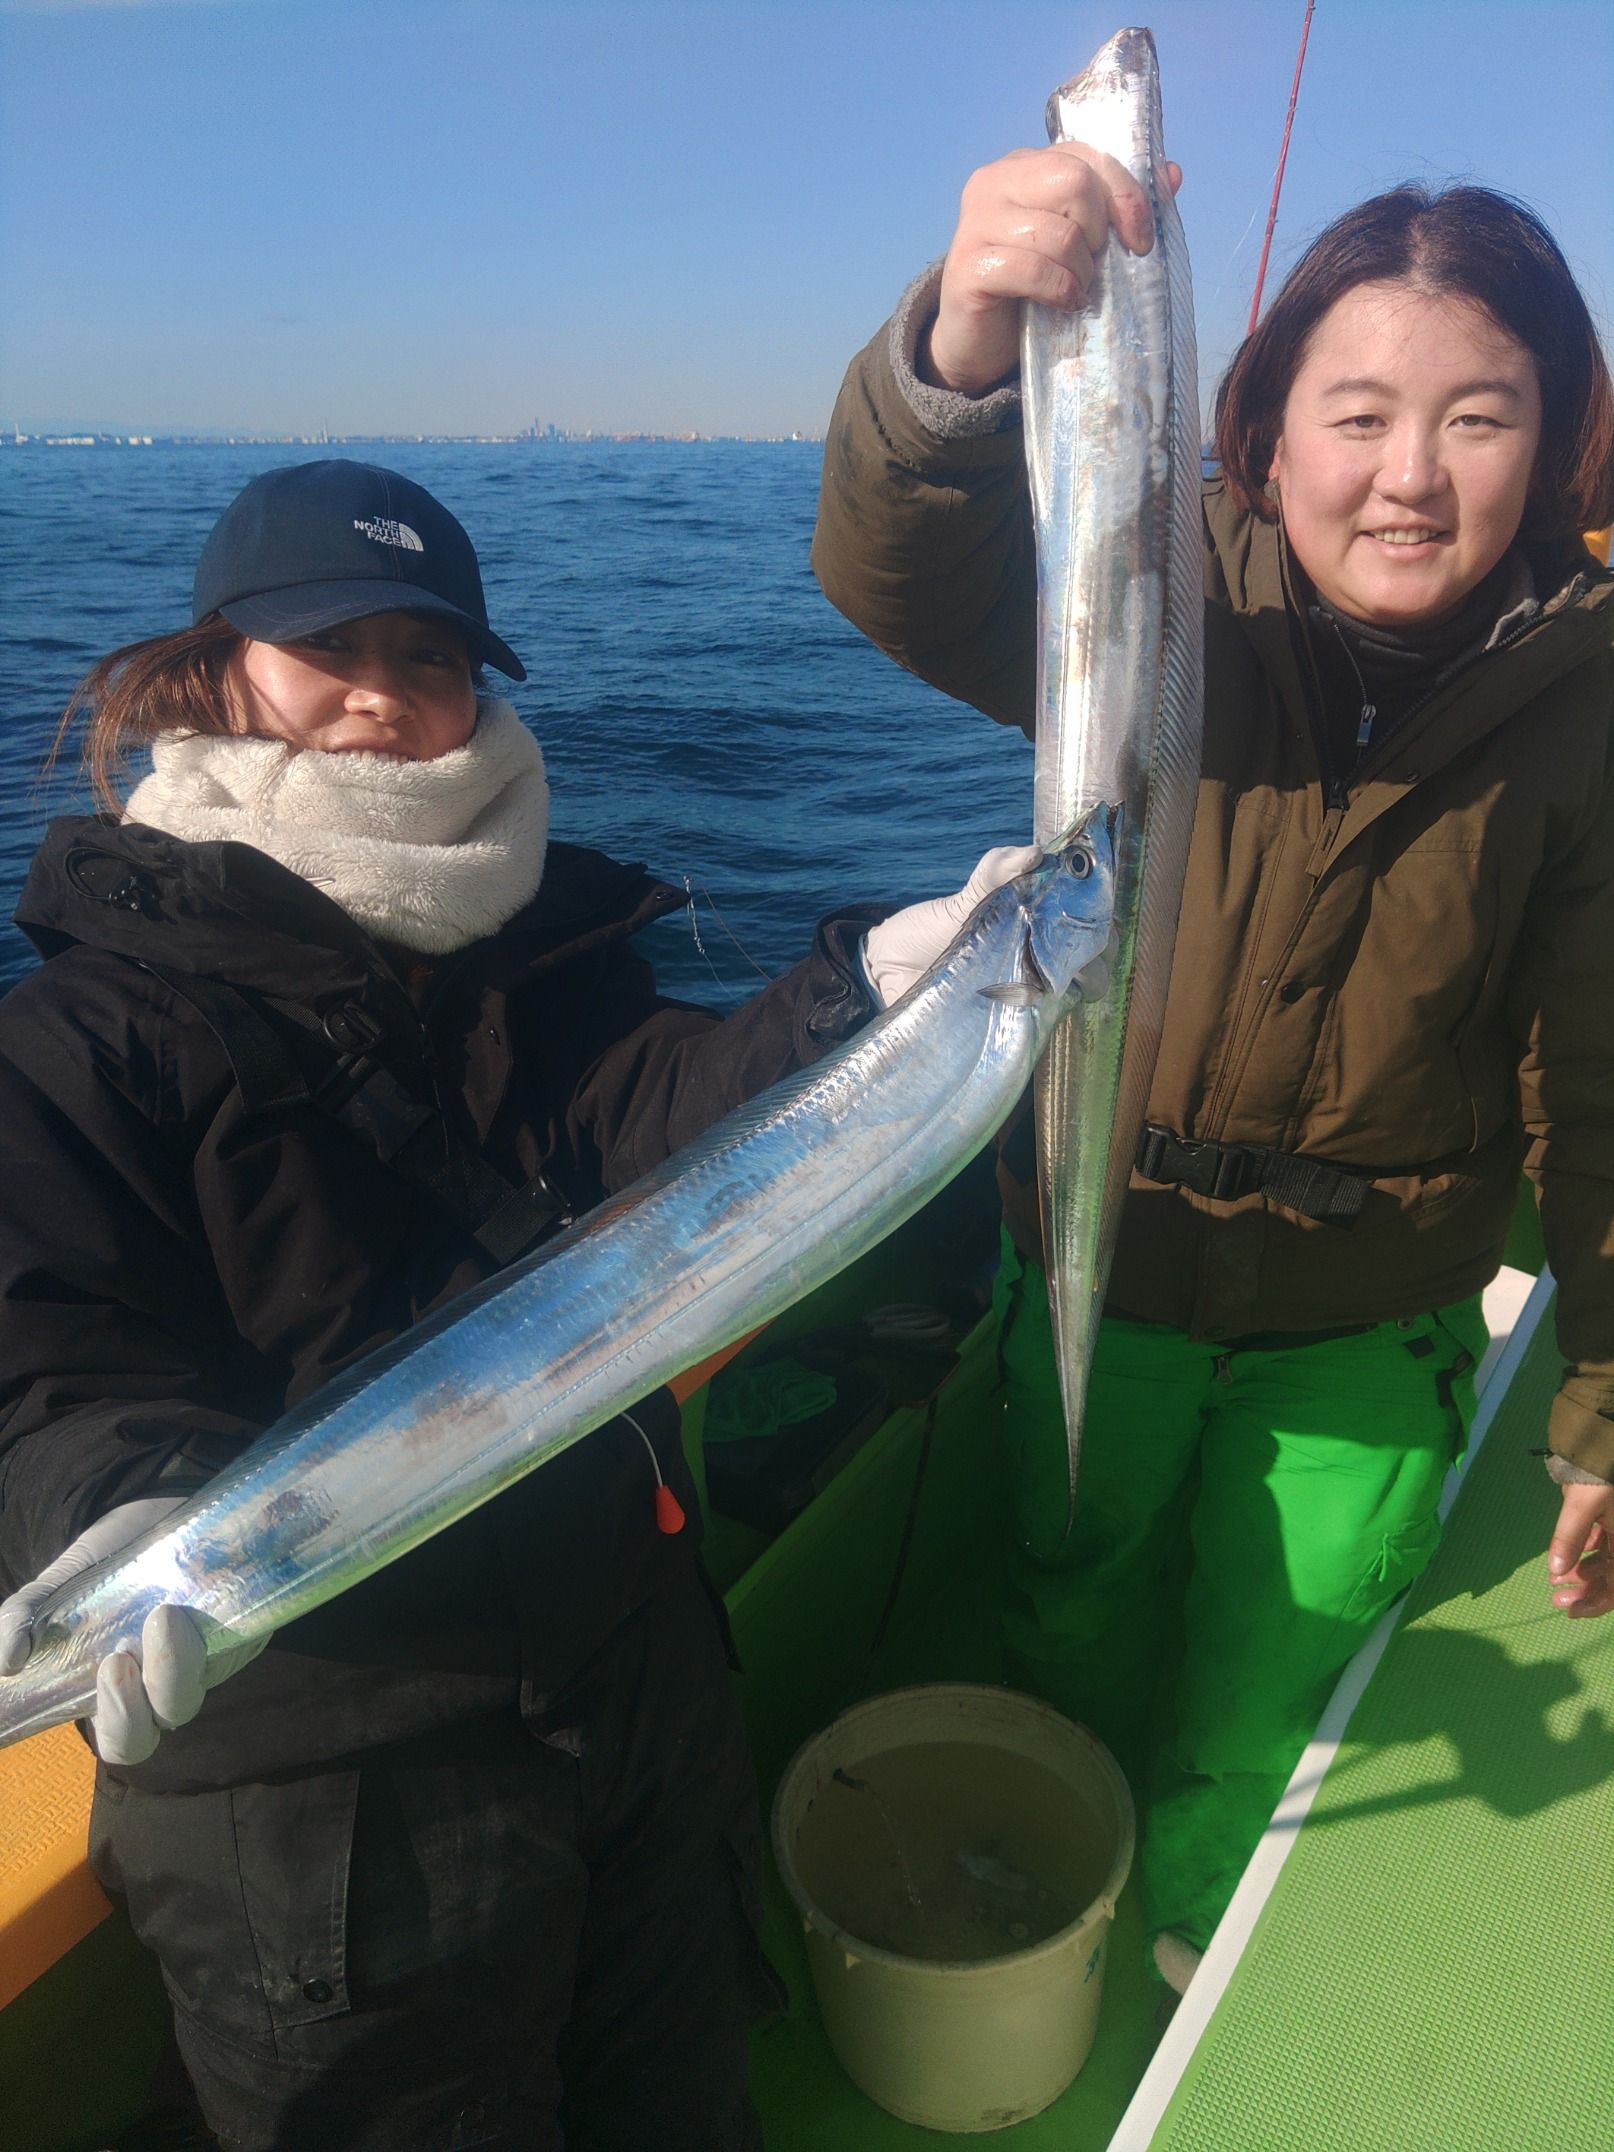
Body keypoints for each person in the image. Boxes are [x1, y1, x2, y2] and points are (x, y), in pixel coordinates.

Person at [0, 457, 1030, 2151]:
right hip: (326, 1764)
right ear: (215, 667)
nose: (385, 694)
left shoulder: (528, 944)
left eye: (431, 655)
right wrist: (119, 1506)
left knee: (678, 2098)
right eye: (331, 644)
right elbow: (47, 1358)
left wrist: (858, 993)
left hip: (628, 1668)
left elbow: (660, 1114)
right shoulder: (85, 1039)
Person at [812, 146, 1614, 1996]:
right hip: (1107, 1262)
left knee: (1283, 1664)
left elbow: (1598, 1077)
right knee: (1068, 1594)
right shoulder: (1151, 585)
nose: (1409, 476)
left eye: (1478, 418)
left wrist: (1600, 1397)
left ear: (1556, 441)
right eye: (1358, 414)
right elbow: (901, 578)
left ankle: (1184, 1934)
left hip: (1368, 1316)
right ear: (1263, 429)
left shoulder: (1588, 706)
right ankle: (1057, 1871)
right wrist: (958, 344)